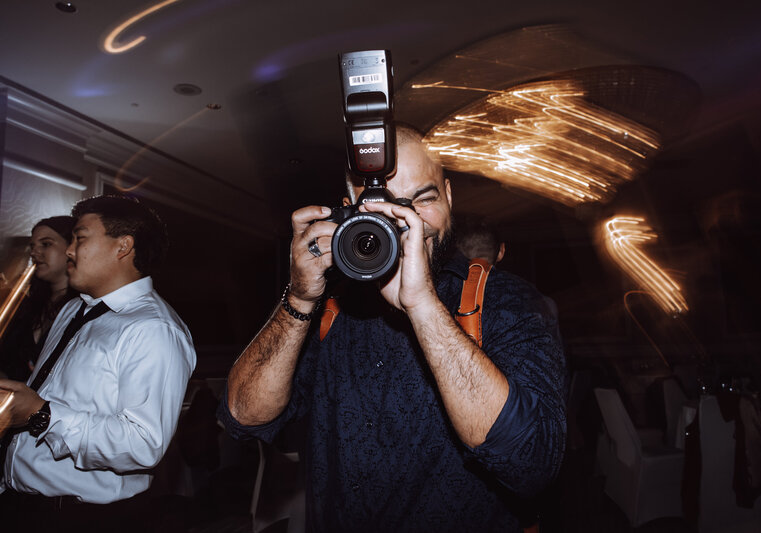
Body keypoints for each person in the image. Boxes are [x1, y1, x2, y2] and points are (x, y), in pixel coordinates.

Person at [219, 125, 566, 532]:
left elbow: (533, 463)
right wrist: (298, 299)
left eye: (423, 199)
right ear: (348, 209)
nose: (408, 223)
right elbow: (244, 416)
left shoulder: (505, 299)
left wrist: (422, 306)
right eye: (386, 207)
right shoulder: (329, 304)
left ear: (449, 197)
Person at [0, 195, 196, 532]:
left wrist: (42, 415)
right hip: (21, 504)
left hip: (80, 518)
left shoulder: (153, 329)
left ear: (122, 246)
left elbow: (143, 445)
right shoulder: (74, 310)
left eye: (80, 238)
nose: (70, 250)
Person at [0, 216, 78, 382]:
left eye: (46, 244)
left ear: (72, 247)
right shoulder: (26, 306)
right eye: (32, 246)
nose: (34, 253)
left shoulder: (84, 308)